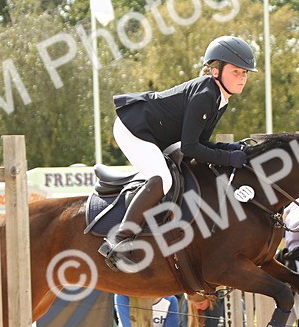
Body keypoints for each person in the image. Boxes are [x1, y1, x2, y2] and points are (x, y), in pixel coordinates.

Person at [100, 35, 256, 269]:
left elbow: (200, 143)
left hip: (156, 134)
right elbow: (191, 147)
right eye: (236, 71)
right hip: (133, 127)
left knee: (180, 172)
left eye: (244, 73)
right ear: (215, 71)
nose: (242, 78)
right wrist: (228, 158)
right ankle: (118, 240)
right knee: (162, 178)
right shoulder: (205, 95)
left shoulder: (220, 98)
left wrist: (229, 149)